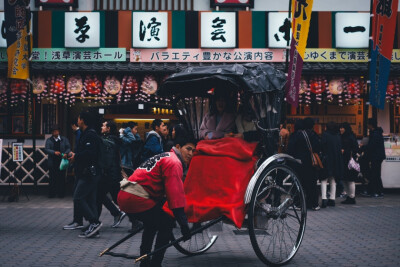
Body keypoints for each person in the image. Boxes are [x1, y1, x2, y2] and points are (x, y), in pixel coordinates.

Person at [117, 136, 195, 267]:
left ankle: (145, 260)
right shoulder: (174, 163)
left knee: (152, 223)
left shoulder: (165, 156)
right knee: (166, 223)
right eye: (188, 149)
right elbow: (175, 196)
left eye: (194, 151)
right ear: (178, 147)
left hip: (127, 194)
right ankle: (155, 263)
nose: (191, 153)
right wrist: (184, 225)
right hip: (136, 197)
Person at [68, 111, 102, 238]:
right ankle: (95, 229)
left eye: (78, 118)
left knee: (78, 197)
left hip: (89, 172)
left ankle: (94, 222)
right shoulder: (85, 134)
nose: (77, 121)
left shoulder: (90, 135)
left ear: (82, 120)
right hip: (90, 172)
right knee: (91, 200)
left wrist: (76, 156)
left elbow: (90, 154)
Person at [97, 120, 126, 228]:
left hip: (110, 174)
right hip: (112, 173)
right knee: (114, 198)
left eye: (104, 126)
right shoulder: (111, 139)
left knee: (101, 195)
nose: (102, 127)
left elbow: (108, 159)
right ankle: (120, 215)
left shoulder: (109, 140)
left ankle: (95, 221)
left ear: (108, 129)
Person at [288, 119, 320, 211]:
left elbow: (290, 149)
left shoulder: (295, 135)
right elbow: (318, 146)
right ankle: (314, 204)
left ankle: (298, 203)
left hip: (298, 162)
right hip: (311, 162)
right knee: (312, 184)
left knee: (298, 183)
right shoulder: (313, 134)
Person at [63, 121, 84, 230]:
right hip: (83, 169)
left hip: (83, 170)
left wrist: (75, 155)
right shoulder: (83, 133)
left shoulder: (81, 133)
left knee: (78, 196)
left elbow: (79, 150)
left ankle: (88, 220)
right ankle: (81, 220)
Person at [320, 121, 343, 208]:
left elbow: (322, 145)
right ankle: (332, 199)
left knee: (324, 179)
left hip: (326, 160)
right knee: (333, 180)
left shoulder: (325, 135)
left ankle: (324, 199)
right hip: (336, 160)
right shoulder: (337, 135)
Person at [44, 124, 71, 198]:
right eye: (54, 132)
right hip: (52, 161)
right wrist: (54, 152)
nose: (55, 133)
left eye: (57, 131)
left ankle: (61, 194)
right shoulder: (49, 140)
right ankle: (52, 194)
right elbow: (46, 149)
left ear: (59, 132)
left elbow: (68, 147)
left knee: (61, 177)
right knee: (52, 177)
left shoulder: (64, 139)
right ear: (52, 133)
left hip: (62, 160)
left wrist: (66, 153)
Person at [365, 118, 386, 198]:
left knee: (375, 174)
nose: (367, 125)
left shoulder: (375, 134)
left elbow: (372, 146)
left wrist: (364, 148)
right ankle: (377, 191)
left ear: (371, 125)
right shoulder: (377, 132)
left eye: (368, 124)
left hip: (376, 156)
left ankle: (377, 192)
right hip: (378, 156)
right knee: (376, 174)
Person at [340, 122, 359, 205]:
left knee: (350, 180)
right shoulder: (342, 136)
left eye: (342, 127)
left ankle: (352, 197)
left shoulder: (351, 137)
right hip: (343, 161)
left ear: (346, 128)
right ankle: (348, 196)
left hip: (349, 161)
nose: (340, 129)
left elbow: (355, 149)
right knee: (344, 179)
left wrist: (345, 151)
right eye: (340, 127)